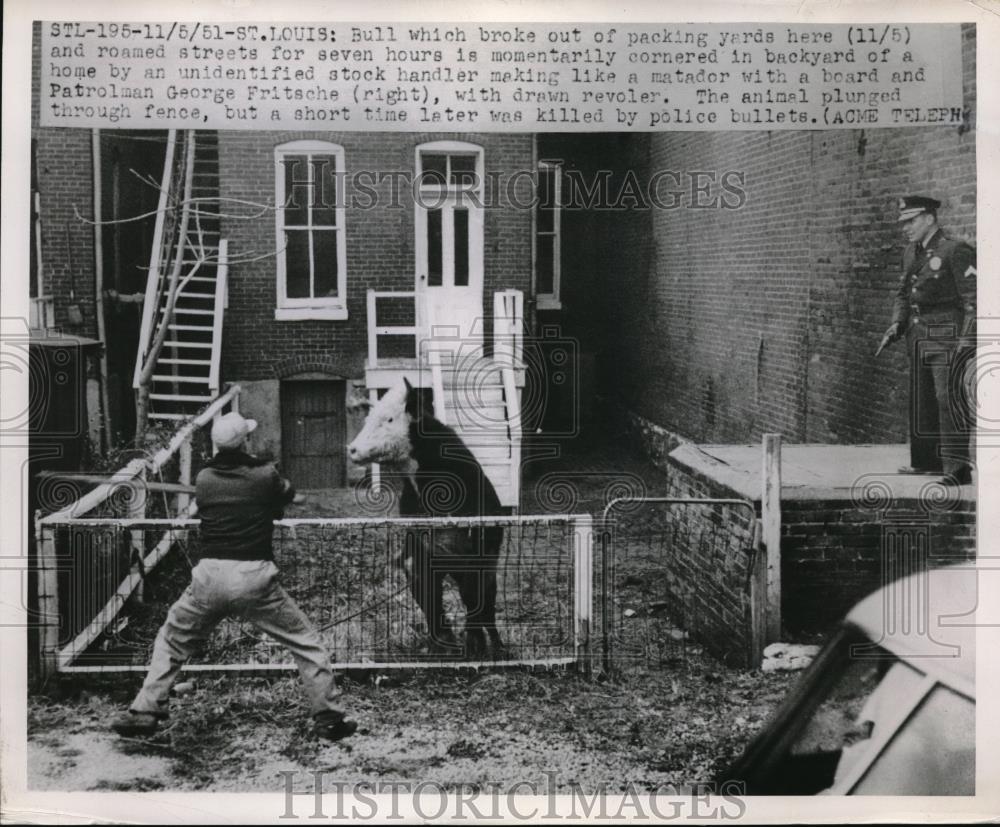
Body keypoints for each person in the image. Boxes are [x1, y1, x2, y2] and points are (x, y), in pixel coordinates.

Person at [111, 412, 358, 741]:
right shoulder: (265, 475)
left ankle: (144, 711)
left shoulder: (204, 479)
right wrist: (284, 496)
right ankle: (328, 717)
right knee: (306, 644)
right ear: (245, 441)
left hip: (209, 576)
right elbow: (280, 501)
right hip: (254, 577)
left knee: (172, 640)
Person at [880, 195, 977, 486]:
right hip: (918, 335)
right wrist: (897, 322)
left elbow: (973, 301)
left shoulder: (954, 251)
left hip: (947, 336)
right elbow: (902, 293)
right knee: (922, 400)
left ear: (930, 218)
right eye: (904, 222)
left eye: (911, 221)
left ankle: (957, 469)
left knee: (947, 398)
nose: (905, 228)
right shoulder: (911, 253)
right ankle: (926, 462)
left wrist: (966, 342)